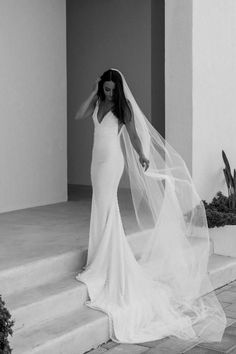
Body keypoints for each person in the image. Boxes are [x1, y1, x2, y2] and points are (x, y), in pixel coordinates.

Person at [75, 69, 226, 345]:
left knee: (109, 211)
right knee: (99, 209)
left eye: (111, 89)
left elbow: (133, 136)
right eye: (105, 89)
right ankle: (98, 258)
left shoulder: (124, 108)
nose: (108, 93)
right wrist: (94, 88)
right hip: (96, 163)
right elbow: (79, 114)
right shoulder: (98, 102)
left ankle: (105, 262)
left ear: (118, 88)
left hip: (112, 163)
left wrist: (143, 154)